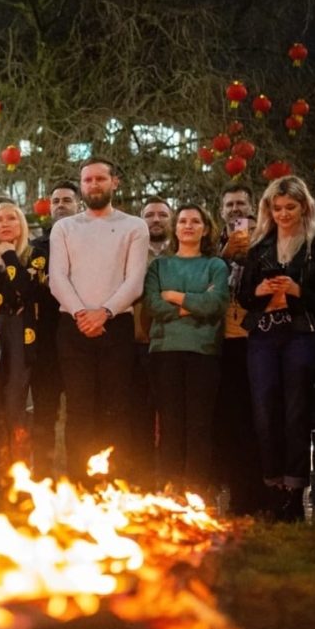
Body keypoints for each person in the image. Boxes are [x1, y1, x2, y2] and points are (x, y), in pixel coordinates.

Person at [238, 175, 315, 521]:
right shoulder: (259, 246)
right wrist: (261, 292)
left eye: (290, 207)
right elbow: (243, 297)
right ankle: (272, 487)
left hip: (300, 334)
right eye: (277, 208)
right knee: (265, 412)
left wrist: (297, 291)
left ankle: (294, 492)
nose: (283, 214)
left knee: (296, 413)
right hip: (263, 335)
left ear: (304, 207)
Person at [49, 156, 149, 483]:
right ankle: (80, 484)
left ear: (114, 182)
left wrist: (104, 312)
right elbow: (57, 278)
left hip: (116, 324)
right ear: (81, 185)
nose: (93, 185)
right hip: (73, 325)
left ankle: (114, 483)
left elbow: (134, 280)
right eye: (88, 180)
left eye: (100, 179)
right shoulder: (64, 227)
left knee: (116, 408)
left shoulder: (134, 225)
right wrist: (82, 313)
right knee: (78, 409)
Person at [143, 204, 228, 492]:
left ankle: (196, 490)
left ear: (205, 228)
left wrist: (175, 296)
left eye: (195, 221)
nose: (188, 226)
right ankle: (169, 488)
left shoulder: (215, 265)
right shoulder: (158, 266)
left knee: (199, 424)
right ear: (175, 228)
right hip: (165, 351)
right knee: (170, 423)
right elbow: (153, 305)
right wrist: (193, 303)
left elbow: (215, 305)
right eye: (183, 221)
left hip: (203, 352)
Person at [0, 202, 40, 491]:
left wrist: (11, 257)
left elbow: (27, 291)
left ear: (21, 224)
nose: (4, 224)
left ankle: (20, 479)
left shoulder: (34, 256)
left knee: (16, 408)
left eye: (11, 218)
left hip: (20, 335)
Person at [213, 183, 262, 514]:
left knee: (256, 420)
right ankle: (232, 495)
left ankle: (258, 494)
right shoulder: (214, 247)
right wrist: (224, 256)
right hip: (221, 343)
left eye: (241, 203)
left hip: (258, 340)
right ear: (221, 211)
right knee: (227, 421)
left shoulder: (267, 243)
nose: (235, 209)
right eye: (229, 204)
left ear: (253, 207)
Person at [28, 182, 79, 478]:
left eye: (67, 200)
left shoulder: (88, 242)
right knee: (44, 413)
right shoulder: (37, 247)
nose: (60, 205)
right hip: (45, 342)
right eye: (56, 200)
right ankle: (42, 478)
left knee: (80, 412)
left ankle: (76, 478)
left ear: (78, 205)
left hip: (80, 336)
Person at [131, 197, 174, 483]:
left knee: (172, 415)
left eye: (162, 214)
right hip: (138, 341)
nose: (156, 220)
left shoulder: (182, 251)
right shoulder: (132, 251)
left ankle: (172, 479)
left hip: (175, 342)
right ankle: (142, 480)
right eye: (150, 215)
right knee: (138, 414)